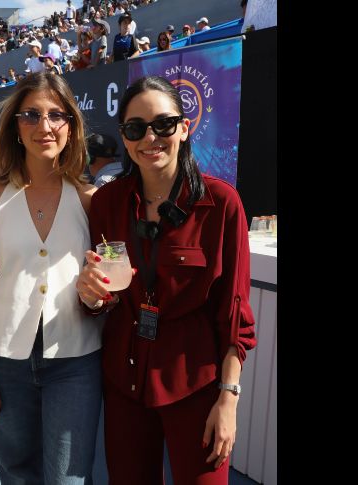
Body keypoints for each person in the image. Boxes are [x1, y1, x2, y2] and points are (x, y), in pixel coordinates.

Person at [75, 76, 257, 484]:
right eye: (135, 128)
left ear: (184, 128)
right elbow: (102, 298)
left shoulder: (221, 203)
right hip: (124, 381)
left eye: (163, 124)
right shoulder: (106, 203)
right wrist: (92, 296)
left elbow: (235, 315)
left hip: (196, 384)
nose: (150, 138)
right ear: (124, 136)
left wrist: (228, 399)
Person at [0, 72, 101, 485]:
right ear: (15, 127)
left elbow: (104, 280)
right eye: (31, 115)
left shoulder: (90, 199)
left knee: (67, 480)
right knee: (17, 476)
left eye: (57, 115)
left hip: (76, 362)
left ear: (71, 126)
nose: (45, 126)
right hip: (4, 362)